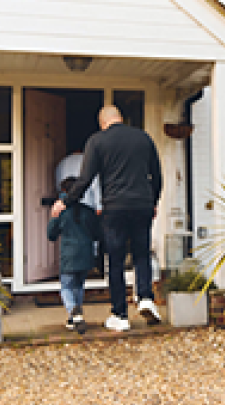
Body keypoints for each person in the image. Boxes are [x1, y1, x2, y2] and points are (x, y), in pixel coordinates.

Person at [51, 105, 163, 332]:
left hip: (115, 208)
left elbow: (84, 179)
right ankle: (145, 297)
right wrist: (153, 201)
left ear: (102, 122)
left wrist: (65, 201)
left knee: (116, 260)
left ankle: (120, 314)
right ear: (120, 118)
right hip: (142, 204)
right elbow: (157, 175)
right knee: (142, 254)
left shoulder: (97, 141)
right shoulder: (143, 138)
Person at [47, 177, 99, 335]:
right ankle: (74, 319)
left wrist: (53, 217)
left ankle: (73, 311)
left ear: (63, 192)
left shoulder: (61, 212)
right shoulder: (88, 212)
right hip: (86, 253)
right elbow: (97, 234)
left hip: (69, 254)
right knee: (78, 285)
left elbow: (51, 235)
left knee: (66, 287)